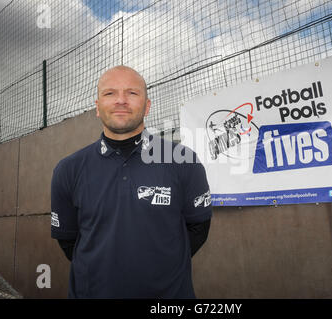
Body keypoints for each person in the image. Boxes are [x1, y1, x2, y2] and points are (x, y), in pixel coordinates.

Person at [50, 66, 212, 298]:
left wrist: (158, 267)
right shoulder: (68, 169)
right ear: (97, 107)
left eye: (132, 93)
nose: (121, 101)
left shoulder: (184, 161)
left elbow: (198, 230)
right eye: (110, 93)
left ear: (147, 106)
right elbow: (69, 242)